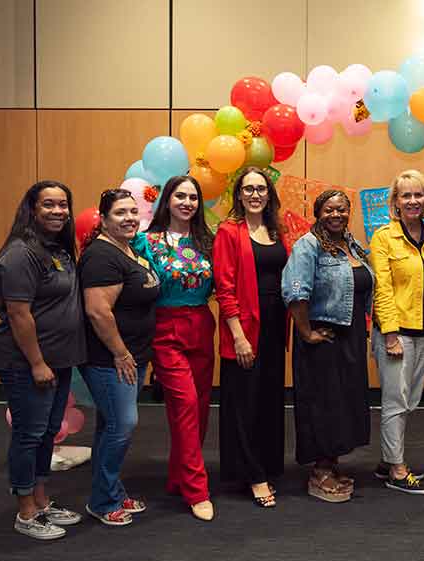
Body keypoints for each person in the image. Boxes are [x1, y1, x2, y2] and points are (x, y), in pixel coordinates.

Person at [0, 181, 85, 540]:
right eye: (49, 205)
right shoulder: (19, 254)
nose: (58, 211)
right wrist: (37, 363)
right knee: (29, 435)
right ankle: (26, 512)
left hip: (55, 360)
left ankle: (42, 501)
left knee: (46, 433)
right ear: (32, 209)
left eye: (63, 205)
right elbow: (19, 315)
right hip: (26, 361)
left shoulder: (56, 249)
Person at [282, 189, 375, 503]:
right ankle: (319, 471)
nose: (336, 215)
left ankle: (331, 464)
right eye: (329, 210)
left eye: (342, 210)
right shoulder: (307, 246)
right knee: (323, 404)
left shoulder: (349, 244)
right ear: (318, 213)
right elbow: (296, 291)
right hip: (323, 337)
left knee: (343, 403)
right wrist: (307, 333)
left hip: (349, 337)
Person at [132, 176, 215, 521]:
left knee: (200, 409)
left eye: (193, 197)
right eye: (180, 195)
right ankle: (197, 490)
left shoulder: (208, 240)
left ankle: (178, 476)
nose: (187, 202)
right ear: (167, 200)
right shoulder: (146, 241)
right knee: (184, 405)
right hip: (165, 330)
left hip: (201, 326)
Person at [79, 189, 160, 526]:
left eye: (132, 211)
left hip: (131, 356)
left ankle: (109, 489)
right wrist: (121, 352)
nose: (129, 218)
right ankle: (102, 500)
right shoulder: (101, 256)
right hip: (110, 359)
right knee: (122, 425)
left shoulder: (125, 249)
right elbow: (98, 312)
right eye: (119, 213)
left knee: (110, 425)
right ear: (104, 218)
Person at [369, 170, 424, 495]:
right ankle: (397, 471)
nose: (413, 201)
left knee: (410, 399)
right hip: (396, 332)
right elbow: (382, 289)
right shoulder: (383, 237)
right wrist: (389, 333)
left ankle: (389, 459)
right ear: (395, 202)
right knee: (395, 400)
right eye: (406, 195)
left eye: (419, 195)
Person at [214, 167, 289, 509]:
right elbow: (225, 289)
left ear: (269, 195)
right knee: (243, 404)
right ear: (239, 195)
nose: (255, 194)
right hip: (245, 329)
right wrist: (239, 336)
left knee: (268, 401)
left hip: (275, 326)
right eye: (248, 189)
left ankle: (267, 464)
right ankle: (253, 474)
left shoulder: (278, 231)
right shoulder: (229, 232)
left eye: (261, 188)